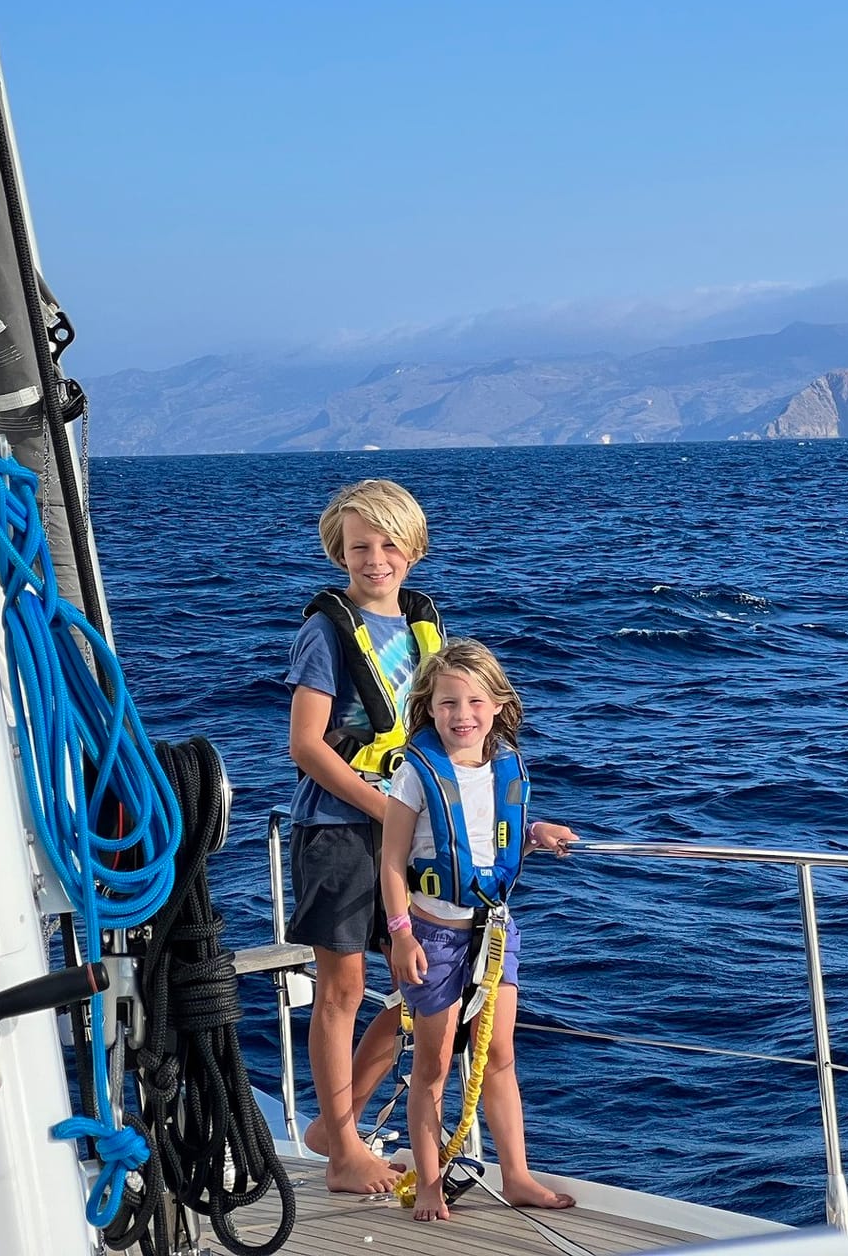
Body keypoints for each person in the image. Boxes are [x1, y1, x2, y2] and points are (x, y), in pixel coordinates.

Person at [380, 640, 578, 1223]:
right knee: (434, 1066)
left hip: (493, 934)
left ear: (496, 706)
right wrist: (400, 934)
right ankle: (432, 1184)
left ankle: (515, 1175)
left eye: (473, 701)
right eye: (446, 703)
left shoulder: (507, 765)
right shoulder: (416, 776)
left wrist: (536, 828)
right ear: (428, 707)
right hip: (433, 938)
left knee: (500, 1053)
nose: (460, 714)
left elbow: (495, 827)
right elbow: (392, 862)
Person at [286, 479, 443, 1194]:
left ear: (411, 551)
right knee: (341, 987)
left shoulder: (420, 629)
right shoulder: (325, 630)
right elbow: (308, 746)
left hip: (406, 837)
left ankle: (332, 1124)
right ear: (338, 553)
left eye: (386, 544)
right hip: (339, 832)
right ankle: (345, 1151)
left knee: (423, 984)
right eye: (358, 547)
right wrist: (385, 813)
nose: (373, 559)